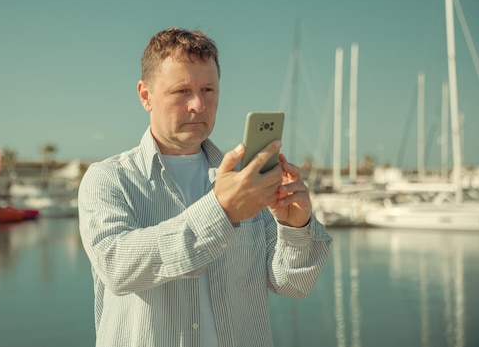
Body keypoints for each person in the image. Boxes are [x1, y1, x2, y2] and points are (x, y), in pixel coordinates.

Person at [78, 27, 332, 347]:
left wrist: (295, 226)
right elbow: (117, 267)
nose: (198, 104)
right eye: (182, 91)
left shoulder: (243, 182)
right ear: (146, 96)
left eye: (208, 89)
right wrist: (222, 212)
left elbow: (295, 284)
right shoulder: (107, 178)